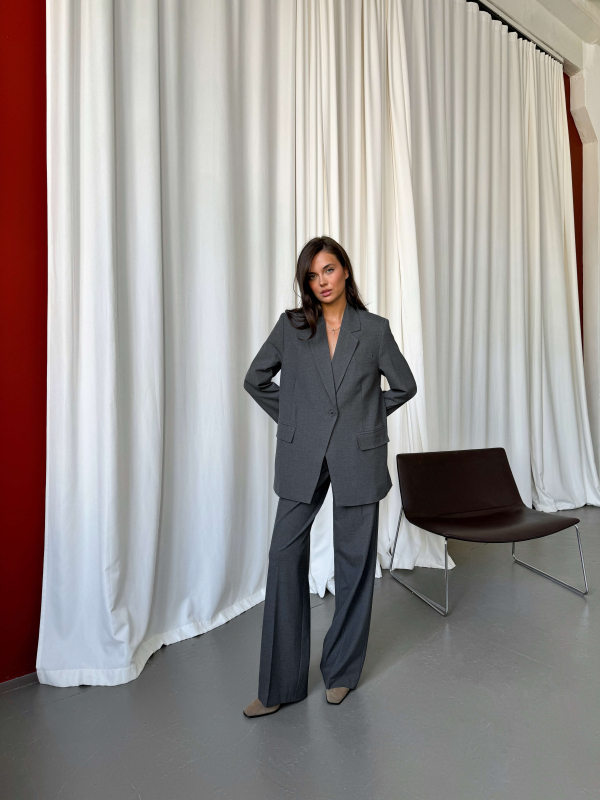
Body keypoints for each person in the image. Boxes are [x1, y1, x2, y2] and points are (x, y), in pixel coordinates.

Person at [242, 236, 417, 717]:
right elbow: (256, 379)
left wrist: (365, 418)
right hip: (303, 454)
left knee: (354, 564)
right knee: (284, 556)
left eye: (329, 270)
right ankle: (280, 685)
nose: (322, 281)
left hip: (357, 455)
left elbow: (404, 385)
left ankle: (341, 672)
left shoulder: (374, 330)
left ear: (345, 270)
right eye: (313, 275)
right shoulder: (292, 326)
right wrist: (298, 419)